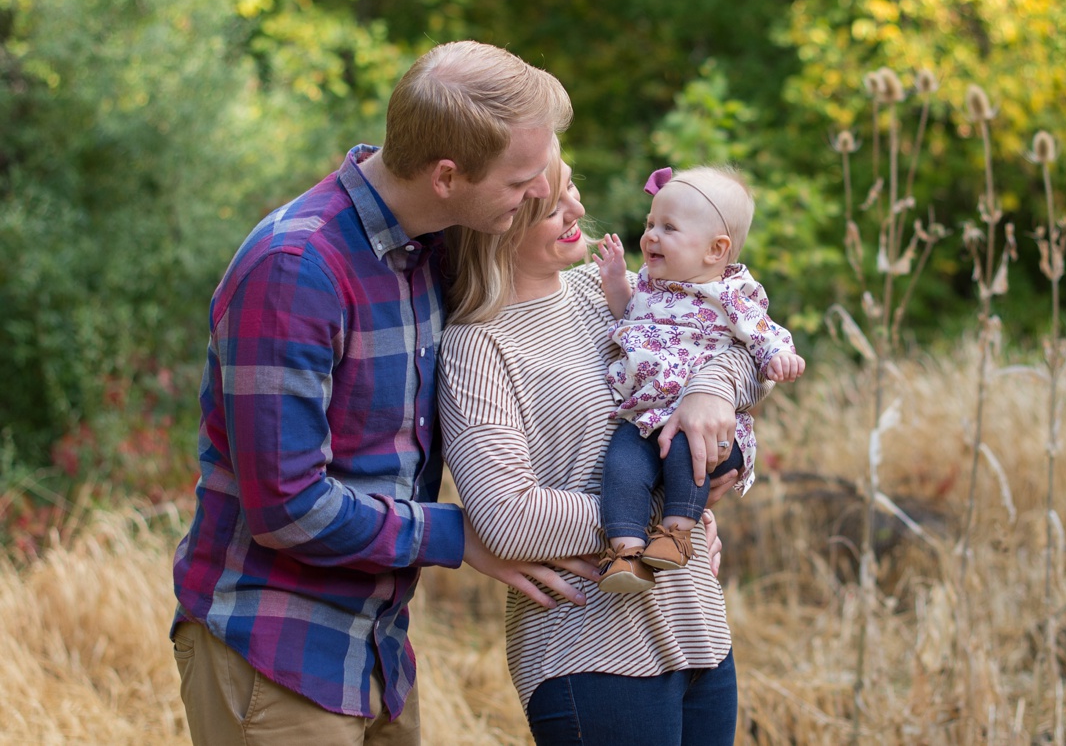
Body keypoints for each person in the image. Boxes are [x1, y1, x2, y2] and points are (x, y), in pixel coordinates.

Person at [169, 41, 596, 746]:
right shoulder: (295, 271)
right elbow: (288, 507)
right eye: (523, 180)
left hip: (377, 650)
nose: (540, 194)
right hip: (273, 647)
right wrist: (460, 534)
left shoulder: (430, 248)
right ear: (447, 175)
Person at [439, 152, 764, 745]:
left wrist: (713, 392)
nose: (578, 210)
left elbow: (742, 344)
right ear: (497, 218)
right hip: (590, 649)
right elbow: (508, 519)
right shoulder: (476, 346)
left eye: (572, 190)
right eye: (551, 204)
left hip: (700, 631)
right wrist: (673, 512)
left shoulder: (607, 287)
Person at [590, 165, 805, 593]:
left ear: (715, 250)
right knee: (621, 467)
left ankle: (676, 533)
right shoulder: (650, 287)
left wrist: (780, 356)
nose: (651, 235)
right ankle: (626, 552)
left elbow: (762, 334)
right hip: (645, 417)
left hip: (707, 430)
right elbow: (628, 320)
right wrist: (616, 282)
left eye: (668, 227)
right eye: (651, 223)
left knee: (686, 451)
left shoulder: (728, 294)